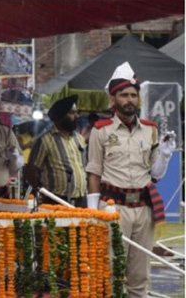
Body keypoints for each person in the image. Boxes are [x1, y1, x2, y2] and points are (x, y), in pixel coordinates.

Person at [86, 62, 176, 298]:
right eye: (123, 95)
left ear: (138, 98)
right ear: (113, 99)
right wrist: (93, 214)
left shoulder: (150, 130)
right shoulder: (101, 130)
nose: (129, 100)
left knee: (140, 276)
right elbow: (93, 172)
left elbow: (155, 174)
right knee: (110, 273)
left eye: (133, 95)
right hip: (113, 209)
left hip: (143, 209)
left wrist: (165, 155)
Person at [25, 95, 88, 207]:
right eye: (72, 113)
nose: (77, 116)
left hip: (81, 199)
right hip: (55, 200)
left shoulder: (79, 138)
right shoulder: (45, 140)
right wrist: (43, 191)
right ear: (60, 117)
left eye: (77, 112)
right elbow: (31, 170)